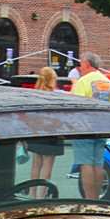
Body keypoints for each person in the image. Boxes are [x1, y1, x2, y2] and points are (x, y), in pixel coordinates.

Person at [70, 52, 110, 200]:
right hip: (103, 126)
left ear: (87, 64)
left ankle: (89, 199)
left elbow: (76, 105)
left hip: (85, 127)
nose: (79, 67)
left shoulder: (83, 81)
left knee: (85, 164)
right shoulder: (107, 82)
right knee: (98, 164)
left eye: (81, 63)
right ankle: (96, 198)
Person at [26, 67, 64, 198]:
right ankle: (42, 196)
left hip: (37, 132)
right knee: (48, 166)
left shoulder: (35, 94)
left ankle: (33, 195)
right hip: (52, 133)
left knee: (36, 165)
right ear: (53, 79)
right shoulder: (57, 95)